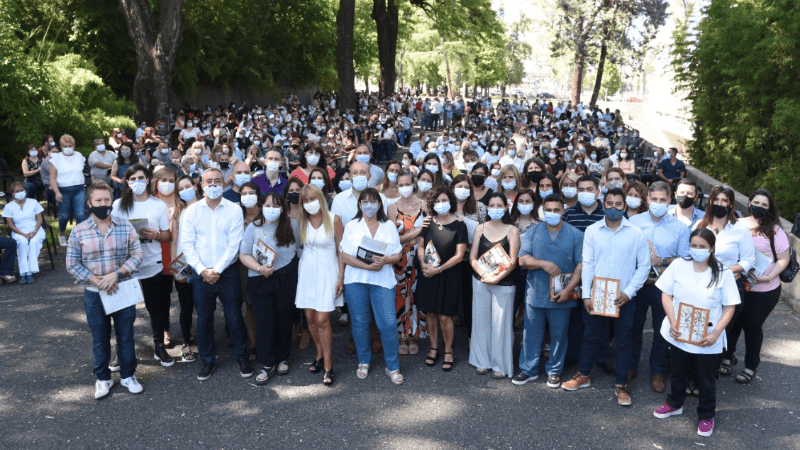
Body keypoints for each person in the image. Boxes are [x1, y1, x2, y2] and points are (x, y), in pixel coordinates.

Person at [562, 188, 650, 408]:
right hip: (597, 294)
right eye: (609, 203)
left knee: (623, 340)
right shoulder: (592, 231)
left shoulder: (636, 232)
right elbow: (588, 264)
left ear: (624, 206)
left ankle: (622, 384)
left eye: (618, 204)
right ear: (603, 204)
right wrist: (587, 294)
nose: (613, 208)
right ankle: (583, 374)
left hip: (624, 297)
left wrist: (629, 292)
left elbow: (644, 267)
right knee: (590, 335)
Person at [653, 228, 740, 438]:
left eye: (702, 246)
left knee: (706, 379)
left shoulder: (723, 272)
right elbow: (666, 295)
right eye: (694, 245)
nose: (697, 250)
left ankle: (706, 415)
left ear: (711, 248)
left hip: (708, 336)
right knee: (678, 370)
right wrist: (673, 322)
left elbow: (730, 307)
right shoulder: (679, 266)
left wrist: (717, 333)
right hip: (679, 332)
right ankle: (675, 403)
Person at [66, 181, 144, 399]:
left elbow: (137, 255)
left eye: (107, 200)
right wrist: (95, 280)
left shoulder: (125, 226)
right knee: (100, 337)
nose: (103, 204)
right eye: (98, 200)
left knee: (126, 335)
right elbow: (72, 263)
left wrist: (116, 274)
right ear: (90, 203)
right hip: (94, 293)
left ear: (112, 201)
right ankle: (103, 378)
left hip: (122, 289)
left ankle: (129, 375)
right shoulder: (79, 232)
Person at [179, 168, 252, 381]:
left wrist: (217, 270)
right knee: (204, 320)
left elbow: (234, 244)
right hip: (201, 273)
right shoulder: (191, 212)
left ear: (224, 184)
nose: (212, 185)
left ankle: (242, 357)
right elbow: (187, 244)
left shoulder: (234, 209)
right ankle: (208, 360)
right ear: (201, 185)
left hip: (227, 272)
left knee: (234, 317)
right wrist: (203, 270)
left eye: (217, 181)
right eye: (208, 181)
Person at [514, 194, 583, 388]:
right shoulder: (533, 232)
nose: (552, 213)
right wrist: (542, 264)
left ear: (563, 211)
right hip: (535, 292)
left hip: (563, 294)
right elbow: (522, 260)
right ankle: (528, 369)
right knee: (531, 333)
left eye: (557, 210)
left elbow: (581, 265)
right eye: (548, 210)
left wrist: (569, 290)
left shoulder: (576, 234)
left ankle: (554, 370)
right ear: (542, 211)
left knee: (559, 334)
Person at [629, 182, 690, 392]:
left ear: (669, 201)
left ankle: (657, 370)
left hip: (663, 288)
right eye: (654, 199)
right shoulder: (633, 222)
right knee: (633, 328)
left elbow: (684, 259)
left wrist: (660, 260)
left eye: (662, 200)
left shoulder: (680, 228)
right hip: (637, 285)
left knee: (661, 331)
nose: (657, 203)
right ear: (647, 200)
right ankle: (630, 367)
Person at [339, 188, 405, 384]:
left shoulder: (388, 226)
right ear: (359, 205)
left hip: (382, 280)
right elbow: (345, 256)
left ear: (379, 203)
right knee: (359, 323)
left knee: (388, 324)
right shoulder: (352, 225)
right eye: (365, 201)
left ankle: (392, 366)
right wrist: (368, 266)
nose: (369, 205)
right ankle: (363, 361)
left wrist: (386, 260)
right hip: (356, 280)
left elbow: (398, 254)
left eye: (373, 201)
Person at [112, 165, 174, 367]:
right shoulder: (118, 205)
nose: (137, 182)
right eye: (132, 179)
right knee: (123, 312)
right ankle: (121, 351)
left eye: (141, 177)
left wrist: (155, 235)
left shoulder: (158, 205)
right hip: (125, 266)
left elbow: (167, 235)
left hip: (152, 263)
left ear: (148, 180)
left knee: (155, 308)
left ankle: (159, 346)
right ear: (127, 182)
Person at [726, 188, 790, 384]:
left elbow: (783, 259)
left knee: (752, 326)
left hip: (764, 289)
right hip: (738, 284)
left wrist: (768, 277)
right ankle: (728, 357)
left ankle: (751, 366)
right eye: (756, 203)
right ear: (749, 203)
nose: (759, 207)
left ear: (769, 208)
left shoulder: (775, 229)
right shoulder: (737, 224)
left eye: (764, 205)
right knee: (733, 323)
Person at [239, 192, 301, 385]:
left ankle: (283, 358)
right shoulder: (253, 227)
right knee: (264, 321)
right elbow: (243, 254)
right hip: (260, 279)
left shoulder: (292, 225)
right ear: (261, 206)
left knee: (284, 318)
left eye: (276, 206)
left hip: (286, 277)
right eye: (267, 205)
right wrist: (259, 268)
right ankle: (267, 364)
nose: (271, 209)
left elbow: (298, 248)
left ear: (282, 208)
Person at [693, 185, 755, 376]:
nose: (720, 204)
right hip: (703, 286)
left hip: (730, 286)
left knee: (721, 331)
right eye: (716, 200)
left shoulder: (740, 229)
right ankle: (695, 372)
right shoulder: (700, 225)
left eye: (724, 201)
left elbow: (748, 260)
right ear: (710, 201)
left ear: (730, 204)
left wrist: (724, 270)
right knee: (701, 326)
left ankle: (710, 372)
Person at [295, 185, 345, 385]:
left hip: (328, 271)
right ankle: (318, 352)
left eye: (312, 198)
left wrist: (341, 276)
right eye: (305, 200)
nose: (309, 203)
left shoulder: (334, 219)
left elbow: (341, 251)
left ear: (321, 198)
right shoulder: (302, 221)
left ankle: (328, 362)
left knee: (323, 318)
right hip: (307, 271)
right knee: (310, 317)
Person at [416, 188, 468, 372]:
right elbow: (421, 246)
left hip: (448, 275)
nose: (441, 203)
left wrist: (438, 269)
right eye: (437, 201)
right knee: (430, 313)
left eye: (444, 200)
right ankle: (433, 347)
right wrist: (423, 263)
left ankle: (448, 350)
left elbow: (459, 255)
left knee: (446, 316)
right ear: (431, 204)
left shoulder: (459, 225)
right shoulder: (428, 223)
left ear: (451, 202)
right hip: (428, 273)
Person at [469, 193, 520, 378]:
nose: (496, 208)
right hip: (481, 280)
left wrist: (497, 278)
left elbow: (514, 261)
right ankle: (481, 360)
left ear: (506, 207)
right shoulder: (479, 228)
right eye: (492, 205)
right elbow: (472, 257)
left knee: (501, 325)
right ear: (487, 208)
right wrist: (484, 274)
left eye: (500, 205)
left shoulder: (512, 230)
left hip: (505, 283)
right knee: (481, 322)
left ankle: (500, 364)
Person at [388, 169, 427, 355]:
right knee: (400, 297)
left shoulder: (424, 205)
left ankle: (414, 335)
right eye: (401, 184)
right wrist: (416, 232)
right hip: (400, 260)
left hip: (420, 257)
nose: (404, 187)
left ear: (414, 184)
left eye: (407, 184)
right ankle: (400, 336)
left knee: (417, 295)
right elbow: (391, 240)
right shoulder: (392, 208)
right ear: (397, 186)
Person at [173, 175, 199, 361]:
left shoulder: (206, 207)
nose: (185, 190)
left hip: (205, 263)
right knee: (186, 305)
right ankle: (187, 342)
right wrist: (176, 268)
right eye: (180, 188)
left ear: (195, 186)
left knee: (206, 305)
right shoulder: (178, 212)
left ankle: (208, 339)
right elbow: (175, 241)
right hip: (185, 264)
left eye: (187, 186)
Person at [2, 182, 45, 284]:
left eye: (21, 190)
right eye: (17, 191)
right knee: (22, 242)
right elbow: (10, 225)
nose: (20, 193)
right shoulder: (9, 207)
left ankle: (29, 272)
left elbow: (39, 219)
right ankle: (23, 272)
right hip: (19, 231)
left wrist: (34, 231)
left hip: (35, 229)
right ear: (13, 193)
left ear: (25, 191)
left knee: (34, 242)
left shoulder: (33, 202)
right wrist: (23, 234)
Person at [50, 134, 87, 247]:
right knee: (64, 215)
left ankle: (79, 236)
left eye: (70, 145)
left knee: (81, 215)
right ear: (61, 146)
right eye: (65, 146)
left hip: (79, 188)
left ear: (74, 145)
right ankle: (61, 234)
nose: (68, 147)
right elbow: (52, 178)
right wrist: (56, 192)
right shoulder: (56, 158)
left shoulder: (79, 155)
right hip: (63, 190)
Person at [331, 161, 388, 226]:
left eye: (363, 172)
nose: (359, 176)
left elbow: (383, 223)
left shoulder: (381, 198)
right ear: (350, 177)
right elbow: (336, 226)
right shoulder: (339, 200)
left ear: (369, 176)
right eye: (355, 173)